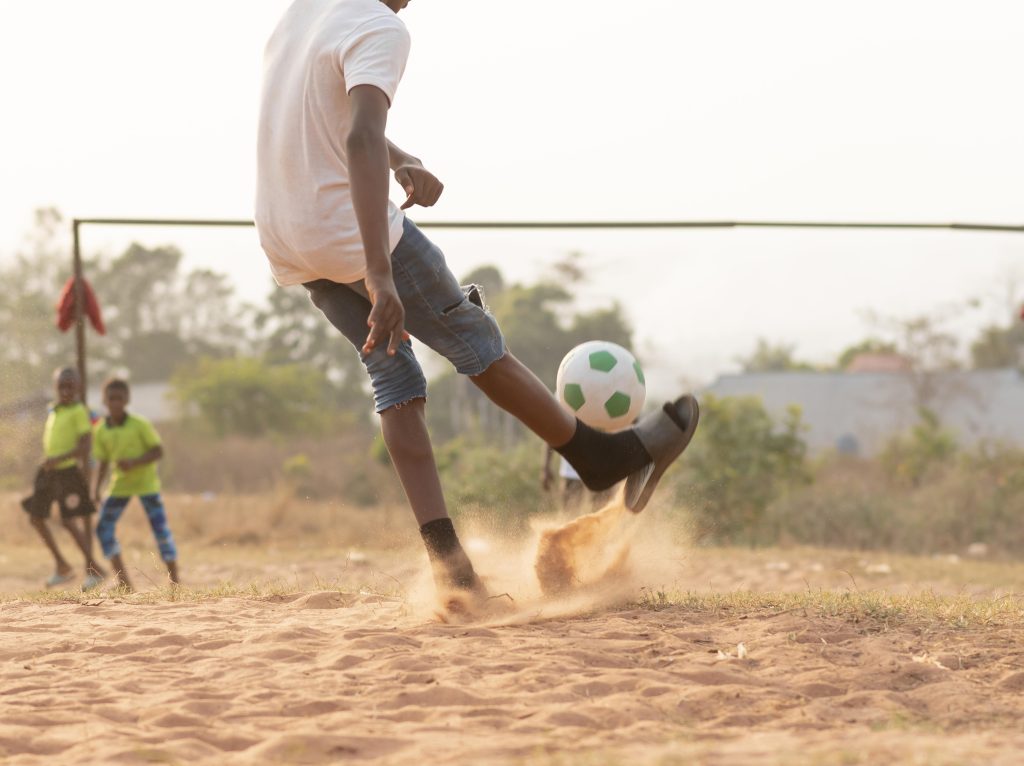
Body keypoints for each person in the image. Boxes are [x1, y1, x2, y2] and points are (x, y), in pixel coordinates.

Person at [255, 0, 699, 605]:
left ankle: (452, 573)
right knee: (475, 342)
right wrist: (379, 274)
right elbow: (358, 134)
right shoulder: (381, 26)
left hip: (288, 238)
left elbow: (331, 130)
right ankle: (597, 456)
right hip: (351, 235)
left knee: (394, 378)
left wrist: (401, 157)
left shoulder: (303, 13)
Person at [20, 367, 106, 590]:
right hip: (48, 471)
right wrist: (50, 460)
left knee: (69, 520)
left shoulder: (79, 411)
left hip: (67, 472)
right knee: (36, 517)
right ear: (55, 387)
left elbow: (85, 445)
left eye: (70, 385)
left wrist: (60, 458)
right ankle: (62, 565)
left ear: (78, 387)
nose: (66, 390)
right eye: (62, 386)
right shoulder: (54, 410)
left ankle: (94, 569)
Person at [92, 378, 179, 591]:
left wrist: (135, 462)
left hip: (146, 485)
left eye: (119, 399)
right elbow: (102, 461)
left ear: (126, 400)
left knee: (160, 531)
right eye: (111, 399)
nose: (115, 403)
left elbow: (158, 451)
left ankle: (175, 582)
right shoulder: (101, 429)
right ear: (105, 400)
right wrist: (96, 489)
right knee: (103, 528)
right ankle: (124, 582)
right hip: (119, 486)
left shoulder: (140, 424)